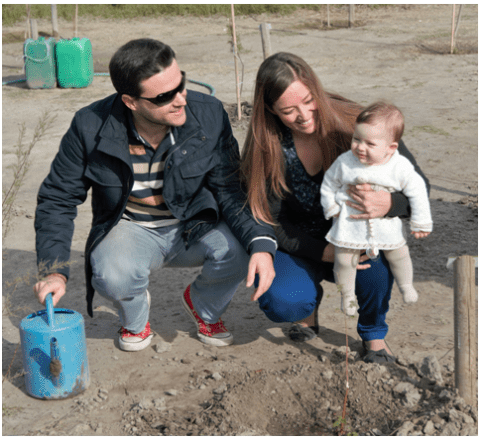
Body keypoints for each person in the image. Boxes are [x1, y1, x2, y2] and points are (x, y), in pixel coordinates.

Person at [33, 38, 277, 352]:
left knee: (244, 250)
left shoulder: (210, 114)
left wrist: (260, 241)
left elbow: (230, 188)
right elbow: (58, 197)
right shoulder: (89, 126)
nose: (180, 100)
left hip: (194, 224)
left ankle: (204, 307)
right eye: (164, 96)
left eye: (181, 85)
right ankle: (135, 318)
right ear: (131, 102)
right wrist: (53, 270)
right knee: (112, 273)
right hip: (132, 229)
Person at [240, 52, 429, 364]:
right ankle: (306, 312)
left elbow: (420, 187)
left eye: (309, 100)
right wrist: (323, 252)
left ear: (317, 87)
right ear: (271, 110)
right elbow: (270, 221)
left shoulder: (360, 123)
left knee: (376, 269)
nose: (304, 115)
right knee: (286, 302)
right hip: (300, 244)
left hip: (357, 239)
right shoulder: (267, 147)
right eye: (288, 110)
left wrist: (390, 203)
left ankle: (373, 335)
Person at [320, 102, 432, 316]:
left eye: (370, 144)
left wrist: (421, 221)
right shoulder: (345, 162)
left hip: (385, 226)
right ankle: (347, 295)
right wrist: (332, 207)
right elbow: (328, 184)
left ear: (391, 148)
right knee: (344, 261)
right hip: (349, 225)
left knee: (399, 255)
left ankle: (406, 285)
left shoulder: (399, 166)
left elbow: (418, 190)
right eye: (356, 139)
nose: (360, 147)